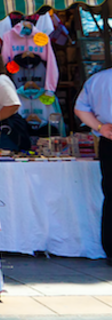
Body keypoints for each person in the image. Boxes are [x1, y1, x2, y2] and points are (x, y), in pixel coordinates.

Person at [74, 65, 112, 262]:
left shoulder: (98, 80)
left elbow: (80, 108)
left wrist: (100, 127)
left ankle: (111, 248)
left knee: (111, 195)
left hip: (109, 141)